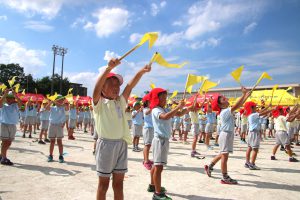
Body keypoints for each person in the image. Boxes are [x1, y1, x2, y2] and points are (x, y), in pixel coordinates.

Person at [93, 58, 151, 200]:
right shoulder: (99, 103)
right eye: (111, 84)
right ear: (102, 88)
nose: (116, 87)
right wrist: (108, 69)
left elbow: (129, 86)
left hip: (121, 144)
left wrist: (141, 72)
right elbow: (95, 90)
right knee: (103, 185)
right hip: (105, 145)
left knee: (119, 184)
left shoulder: (120, 101)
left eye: (117, 85)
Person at [148, 88, 190, 200]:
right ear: (157, 98)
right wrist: (178, 107)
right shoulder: (156, 110)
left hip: (163, 140)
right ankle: (157, 194)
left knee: (156, 165)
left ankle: (152, 185)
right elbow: (165, 117)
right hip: (160, 140)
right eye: (163, 97)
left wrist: (186, 108)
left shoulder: (164, 108)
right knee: (159, 166)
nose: (165, 99)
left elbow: (179, 114)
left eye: (166, 97)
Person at [204, 87, 251, 184]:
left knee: (222, 154)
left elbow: (239, 105)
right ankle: (225, 177)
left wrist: (246, 95)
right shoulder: (225, 111)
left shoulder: (224, 111)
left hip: (227, 134)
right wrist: (244, 95)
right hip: (225, 134)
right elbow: (238, 105)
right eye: (224, 99)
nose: (226, 99)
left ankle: (210, 167)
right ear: (220, 104)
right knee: (225, 157)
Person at [244, 101, 271, 170]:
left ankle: (247, 162)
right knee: (255, 149)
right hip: (254, 133)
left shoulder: (251, 114)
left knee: (249, 148)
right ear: (251, 108)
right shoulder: (253, 115)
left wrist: (268, 107)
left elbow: (261, 112)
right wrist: (272, 109)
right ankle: (252, 164)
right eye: (255, 107)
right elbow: (262, 113)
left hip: (251, 133)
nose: (256, 108)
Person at [0, 90, 23, 165]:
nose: (9, 99)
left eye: (11, 98)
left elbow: (21, 105)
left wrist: (16, 95)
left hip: (13, 125)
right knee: (5, 142)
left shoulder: (16, 105)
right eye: (8, 98)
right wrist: (5, 94)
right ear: (5, 98)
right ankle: (4, 158)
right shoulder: (3, 104)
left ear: (14, 98)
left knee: (9, 142)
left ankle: (2, 155)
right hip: (4, 124)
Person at [47, 95, 66, 163]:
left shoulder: (63, 108)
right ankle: (50, 155)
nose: (61, 101)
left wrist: (63, 101)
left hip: (59, 126)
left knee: (59, 142)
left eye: (62, 100)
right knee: (52, 141)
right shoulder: (52, 107)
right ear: (56, 100)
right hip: (52, 125)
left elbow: (67, 105)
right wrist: (51, 101)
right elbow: (47, 108)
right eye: (59, 100)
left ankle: (61, 156)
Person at [142, 93, 154, 170]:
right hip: (147, 128)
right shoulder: (145, 109)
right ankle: (146, 161)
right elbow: (146, 113)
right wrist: (152, 107)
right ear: (146, 102)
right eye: (149, 101)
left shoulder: (151, 109)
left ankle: (147, 159)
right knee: (147, 145)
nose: (151, 102)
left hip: (151, 128)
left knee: (149, 145)